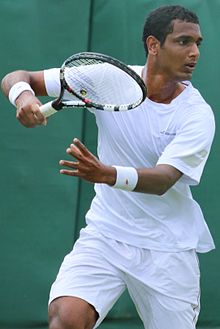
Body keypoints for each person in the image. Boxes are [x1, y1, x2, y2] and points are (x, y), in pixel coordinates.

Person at [1, 4, 215, 329]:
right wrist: (24, 99)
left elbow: (164, 179)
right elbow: (19, 77)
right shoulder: (107, 79)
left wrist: (107, 174)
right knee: (66, 318)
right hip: (107, 234)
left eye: (198, 43)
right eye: (184, 42)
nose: (194, 52)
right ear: (154, 45)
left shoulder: (197, 115)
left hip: (167, 249)